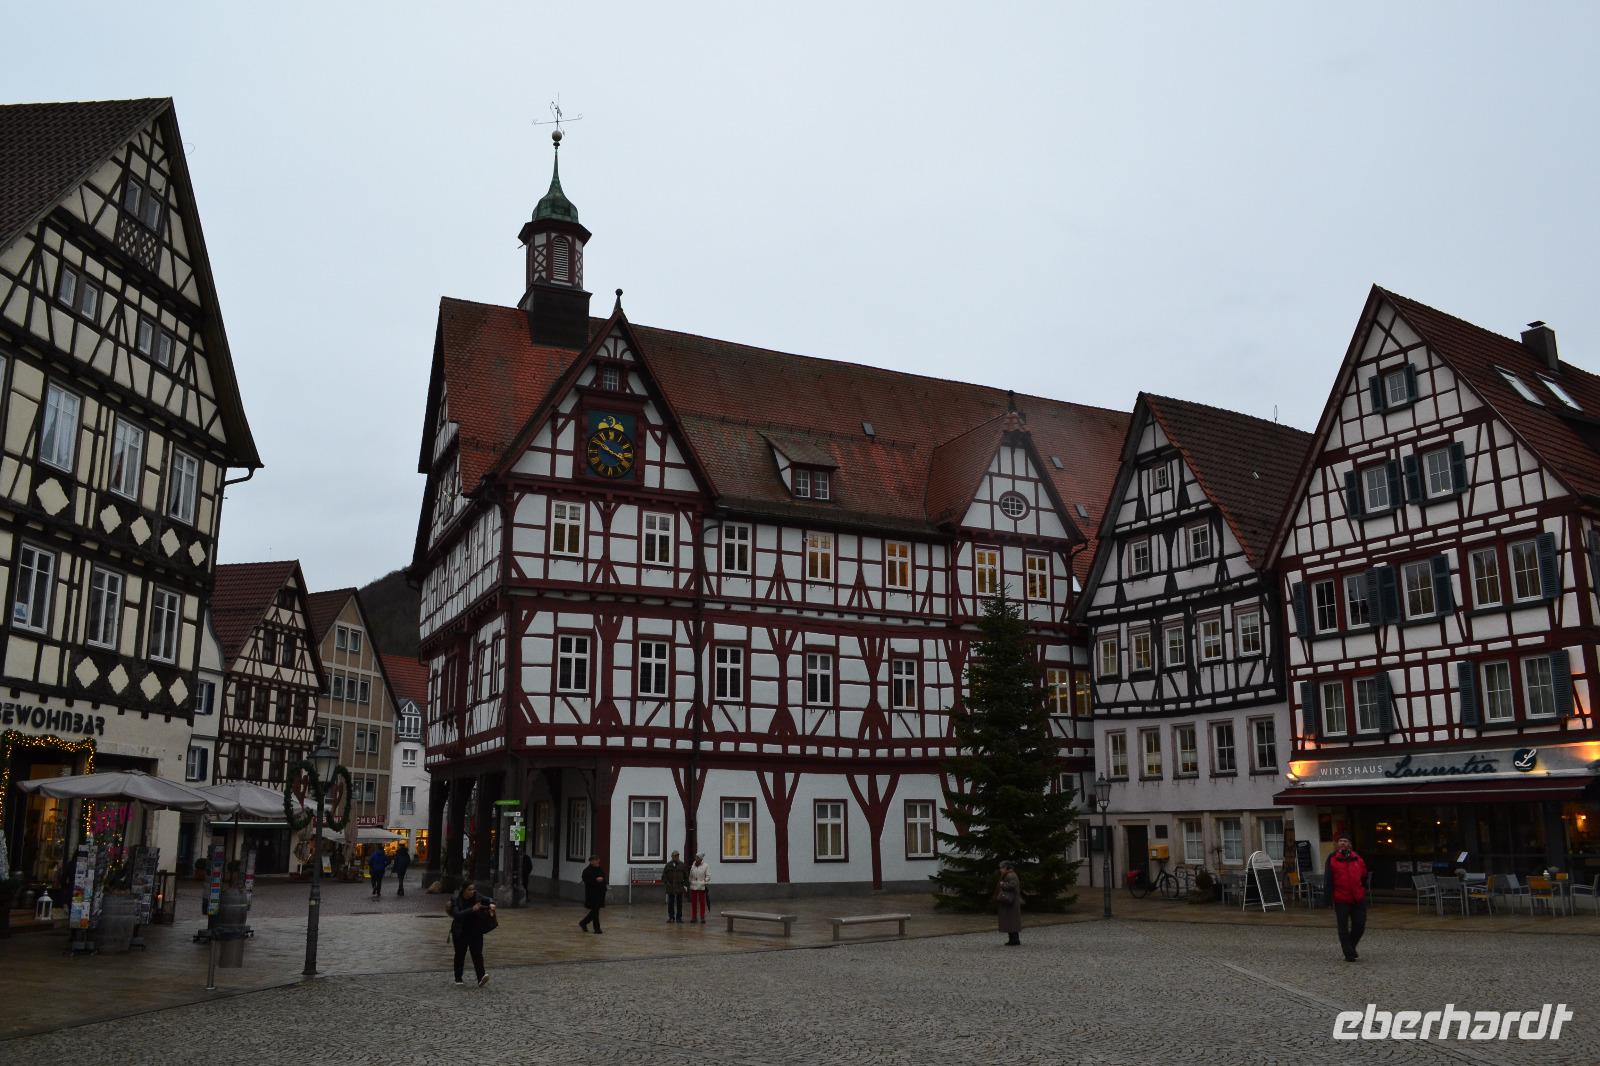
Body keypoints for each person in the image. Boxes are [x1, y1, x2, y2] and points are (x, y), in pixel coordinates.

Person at [1325, 835, 1369, 961]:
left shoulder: (1357, 858)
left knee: (1360, 925)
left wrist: (1362, 889)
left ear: (1350, 844)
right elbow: (1328, 878)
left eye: (1345, 841)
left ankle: (1351, 946)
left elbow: (1364, 875)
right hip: (1341, 898)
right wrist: (1327, 898)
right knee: (1343, 926)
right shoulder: (1332, 858)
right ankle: (1348, 952)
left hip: (1357, 897)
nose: (1343, 843)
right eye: (1340, 841)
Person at [449, 880, 495, 986]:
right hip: (460, 931)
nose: (472, 891)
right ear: (463, 890)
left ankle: (481, 977)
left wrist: (492, 904)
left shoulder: (477, 896)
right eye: (469, 889)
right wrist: (472, 909)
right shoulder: (456, 899)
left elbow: (488, 899)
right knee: (460, 954)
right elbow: (457, 915)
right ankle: (458, 978)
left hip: (475, 930)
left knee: (477, 953)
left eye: (473, 889)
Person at [996, 860, 1023, 946]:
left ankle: (1015, 940)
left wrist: (1002, 884)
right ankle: (1012, 939)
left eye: (1001, 867)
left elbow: (1012, 885)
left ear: (1006, 867)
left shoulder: (1011, 875)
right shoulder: (1009, 874)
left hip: (1012, 901)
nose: (1000, 869)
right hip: (1010, 902)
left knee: (1012, 921)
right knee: (1010, 922)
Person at [579, 855, 607, 933]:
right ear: (591, 861)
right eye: (595, 860)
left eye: (598, 860)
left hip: (600, 893)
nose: (597, 862)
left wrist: (602, 880)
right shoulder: (587, 871)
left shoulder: (600, 869)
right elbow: (587, 880)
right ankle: (597, 929)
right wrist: (596, 880)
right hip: (592, 894)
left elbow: (604, 878)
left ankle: (583, 923)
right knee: (595, 911)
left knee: (595, 911)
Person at [662, 850, 687, 923]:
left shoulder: (682, 865)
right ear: (672, 857)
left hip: (679, 886)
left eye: (677, 856)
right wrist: (666, 883)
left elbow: (686, 876)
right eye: (674, 856)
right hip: (671, 886)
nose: (676, 857)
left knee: (679, 903)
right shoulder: (668, 865)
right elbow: (664, 876)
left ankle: (679, 917)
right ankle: (671, 917)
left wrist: (685, 885)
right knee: (671, 903)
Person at [687, 853, 711, 924]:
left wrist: (704, 882)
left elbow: (708, 876)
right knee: (694, 903)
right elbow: (690, 875)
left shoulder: (706, 866)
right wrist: (690, 881)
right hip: (693, 886)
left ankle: (702, 917)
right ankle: (694, 917)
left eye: (697, 858)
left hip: (701, 886)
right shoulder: (693, 865)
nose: (696, 859)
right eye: (696, 857)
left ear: (701, 859)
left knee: (702, 902)